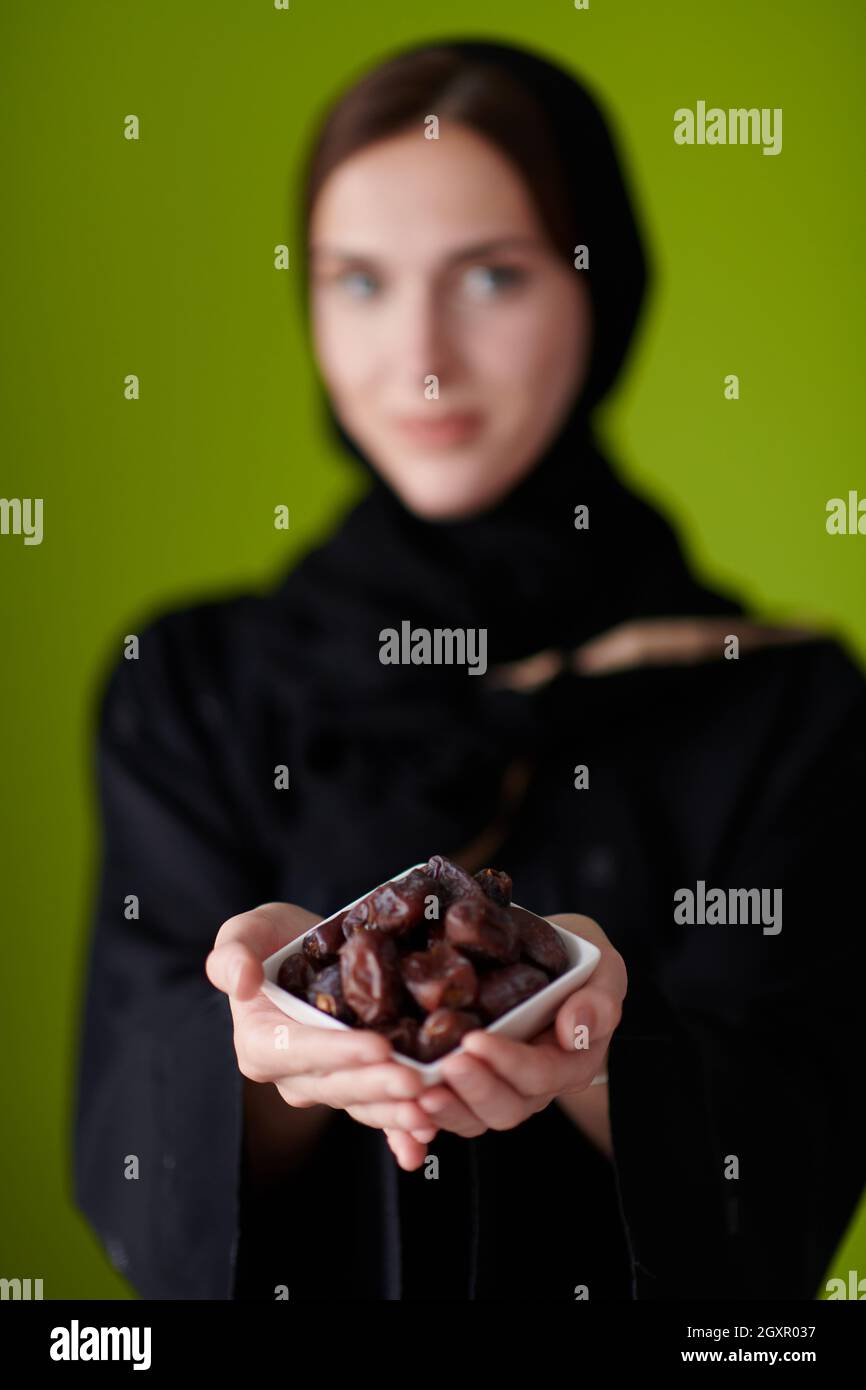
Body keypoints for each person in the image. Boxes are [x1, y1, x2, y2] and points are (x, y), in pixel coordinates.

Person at [73, 38, 866, 1302]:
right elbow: (120, 1157)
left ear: (598, 288)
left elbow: (792, 1191)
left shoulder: (777, 700)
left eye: (491, 276)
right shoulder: (191, 682)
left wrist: (601, 1050)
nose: (422, 356)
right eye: (359, 282)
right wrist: (269, 1050)